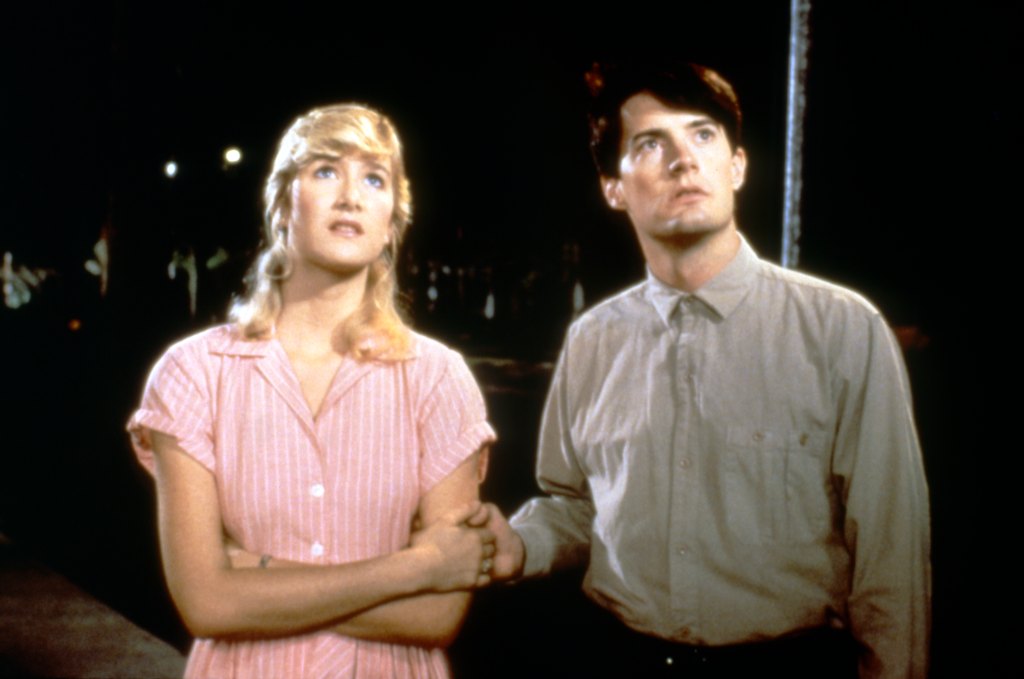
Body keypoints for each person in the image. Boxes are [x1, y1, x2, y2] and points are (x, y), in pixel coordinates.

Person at [481, 62, 931, 678]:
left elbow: (891, 557)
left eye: (702, 135)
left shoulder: (842, 331)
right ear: (614, 187)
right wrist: (521, 543)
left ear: (737, 167)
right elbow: (580, 507)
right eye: (650, 144)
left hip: (788, 663)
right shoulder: (591, 342)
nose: (682, 160)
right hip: (620, 655)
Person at [128, 103, 498, 678]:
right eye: (326, 171)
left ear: (391, 223)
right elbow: (206, 604)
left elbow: (436, 614)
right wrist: (415, 567)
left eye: (374, 179)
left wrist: (257, 576)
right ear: (280, 205)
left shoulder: (439, 379)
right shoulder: (193, 372)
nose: (350, 195)